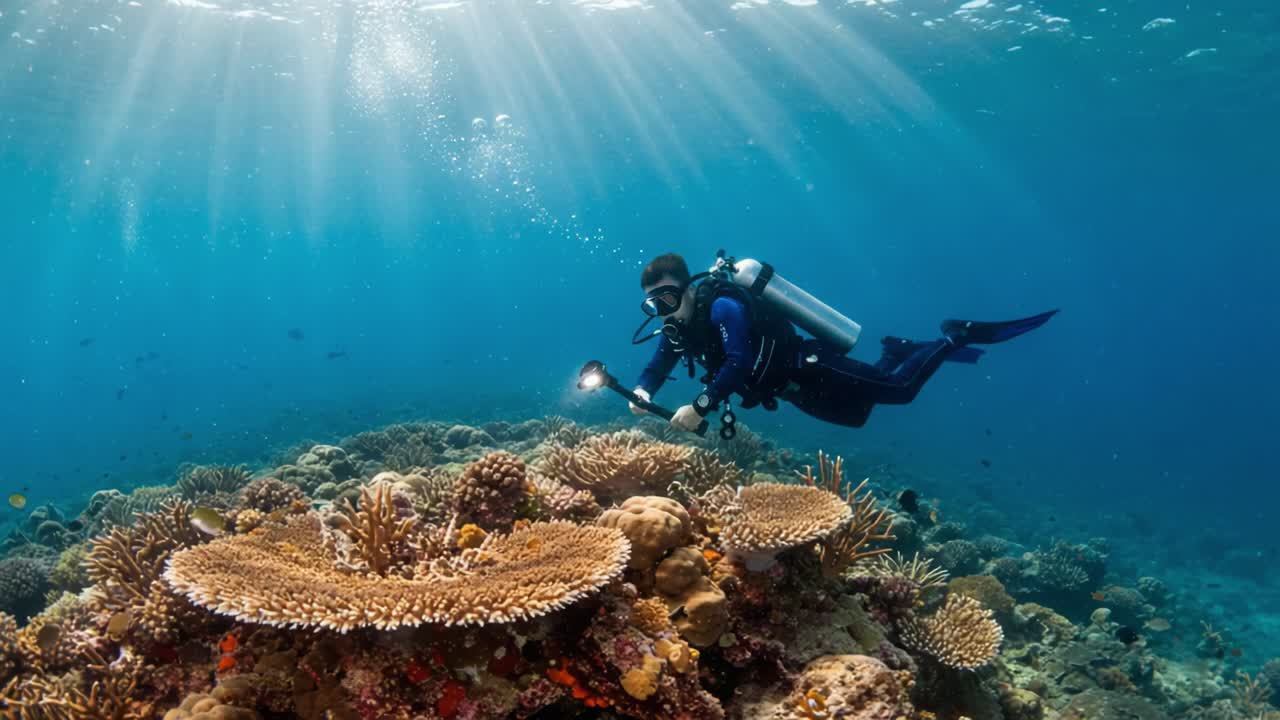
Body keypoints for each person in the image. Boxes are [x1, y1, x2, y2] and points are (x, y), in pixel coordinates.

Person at [630, 253, 1056, 432]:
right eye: (654, 304)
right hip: (791, 390)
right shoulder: (678, 327)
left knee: (901, 392)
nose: (664, 311)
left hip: (810, 364)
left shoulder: (722, 306)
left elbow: (738, 360)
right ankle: (897, 350)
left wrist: (701, 405)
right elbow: (660, 359)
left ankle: (953, 335)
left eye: (668, 298)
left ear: (687, 288)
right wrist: (643, 389)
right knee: (858, 416)